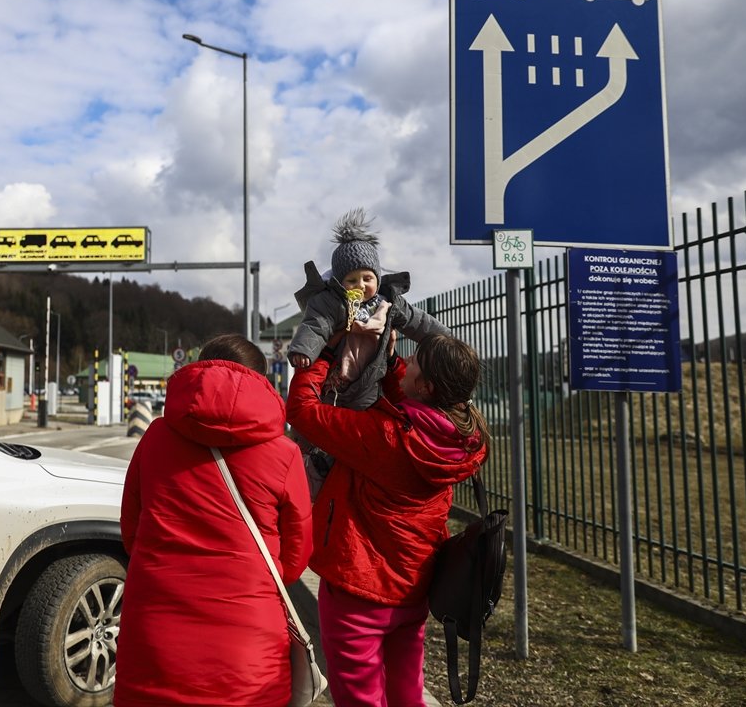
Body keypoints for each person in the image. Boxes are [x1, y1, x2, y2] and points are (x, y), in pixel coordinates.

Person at [286, 332, 489, 707]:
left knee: (361, 698)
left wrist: (321, 355)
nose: (407, 362)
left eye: (414, 361)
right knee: (406, 693)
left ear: (426, 386)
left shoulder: (382, 437)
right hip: (413, 590)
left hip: (357, 594)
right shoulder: (459, 439)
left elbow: (302, 412)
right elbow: (411, 411)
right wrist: (392, 361)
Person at [115, 333, 313, 707]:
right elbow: (296, 556)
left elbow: (131, 530)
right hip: (248, 647)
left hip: (154, 634)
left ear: (199, 370)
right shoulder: (284, 453)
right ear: (261, 381)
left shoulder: (155, 437)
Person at [287, 208, 449, 496]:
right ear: (340, 283)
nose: (360, 286)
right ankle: (317, 475)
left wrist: (444, 338)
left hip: (369, 382)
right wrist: (304, 350)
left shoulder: (387, 303)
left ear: (377, 277)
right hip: (333, 383)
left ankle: (348, 477)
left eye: (367, 278)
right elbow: (315, 325)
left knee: (359, 434)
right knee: (323, 432)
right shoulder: (330, 302)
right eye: (351, 281)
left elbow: (417, 321)